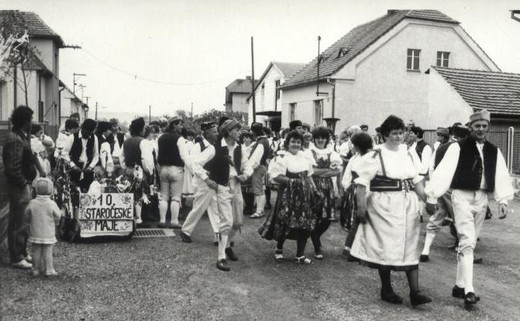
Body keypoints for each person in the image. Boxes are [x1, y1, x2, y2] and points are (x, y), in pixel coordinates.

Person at [425, 109, 513, 306]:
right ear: (470, 128)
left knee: (468, 242)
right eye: (477, 126)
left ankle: (458, 285)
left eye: (484, 126)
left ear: (488, 128)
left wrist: (503, 201)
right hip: (461, 196)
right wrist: (432, 196)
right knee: (467, 240)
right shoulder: (457, 148)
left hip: (481, 199)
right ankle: (469, 290)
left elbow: (500, 175)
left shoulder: (493, 150)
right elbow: (443, 172)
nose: (481, 129)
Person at [351, 115, 431, 307]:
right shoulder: (375, 155)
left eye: (401, 133)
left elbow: (417, 180)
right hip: (384, 206)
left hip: (407, 205)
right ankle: (386, 289)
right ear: (385, 135)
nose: (398, 137)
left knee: (410, 246)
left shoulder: (409, 153)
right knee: (385, 247)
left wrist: (427, 200)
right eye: (394, 134)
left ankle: (415, 293)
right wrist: (361, 207)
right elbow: (361, 184)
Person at [260, 130, 319, 265]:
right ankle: (279, 249)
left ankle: (300, 255)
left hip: (304, 195)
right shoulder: (282, 157)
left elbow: (309, 175)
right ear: (287, 143)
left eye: (298, 142)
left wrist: (315, 189)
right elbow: (276, 176)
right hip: (288, 194)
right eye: (293, 142)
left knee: (304, 223)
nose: (296, 144)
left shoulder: (305, 157)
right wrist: (293, 182)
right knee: (285, 221)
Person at [2, 106, 38, 269]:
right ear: (25, 121)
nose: (32, 122)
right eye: (30, 119)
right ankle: (16, 256)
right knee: (17, 220)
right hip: (18, 186)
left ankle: (21, 252)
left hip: (22, 184)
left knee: (23, 220)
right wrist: (24, 184)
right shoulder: (15, 139)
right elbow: (13, 168)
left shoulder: (21, 136)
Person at [180, 122, 220, 244]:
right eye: (214, 132)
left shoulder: (211, 146)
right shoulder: (200, 147)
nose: (216, 134)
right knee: (199, 207)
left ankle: (218, 236)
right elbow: (194, 164)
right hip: (202, 182)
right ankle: (186, 231)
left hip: (208, 180)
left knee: (215, 207)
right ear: (206, 133)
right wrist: (206, 178)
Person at [309, 126, 342, 259]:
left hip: (328, 187)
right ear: (314, 139)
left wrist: (319, 172)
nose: (320, 140)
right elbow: (310, 172)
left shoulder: (332, 153)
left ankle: (315, 236)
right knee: (314, 216)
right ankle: (317, 247)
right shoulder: (309, 152)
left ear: (327, 139)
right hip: (313, 187)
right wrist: (326, 171)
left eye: (323, 138)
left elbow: (336, 171)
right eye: (318, 138)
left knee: (327, 218)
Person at [341, 131, 373, 259]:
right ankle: (351, 248)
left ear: (358, 146)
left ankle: (352, 247)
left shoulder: (359, 158)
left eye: (354, 145)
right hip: (361, 190)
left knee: (361, 219)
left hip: (361, 189)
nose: (352, 147)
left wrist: (347, 186)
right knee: (360, 218)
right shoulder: (363, 158)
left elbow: (347, 177)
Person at [157, 116, 191, 229]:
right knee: (176, 197)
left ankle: (162, 220)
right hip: (176, 169)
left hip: (163, 169)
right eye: (180, 124)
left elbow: (158, 155)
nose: (182, 127)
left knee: (164, 196)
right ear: (174, 125)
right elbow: (184, 156)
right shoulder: (180, 139)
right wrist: (192, 169)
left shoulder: (160, 138)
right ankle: (174, 221)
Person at [26, 177, 61, 276]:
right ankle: (49, 270)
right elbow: (58, 215)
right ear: (50, 190)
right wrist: (56, 222)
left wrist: (28, 222)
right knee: (48, 251)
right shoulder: (51, 203)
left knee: (36, 251)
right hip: (48, 232)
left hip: (35, 231)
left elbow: (26, 214)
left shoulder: (32, 203)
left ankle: (35, 269)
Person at [120, 117, 149, 228]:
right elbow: (146, 159)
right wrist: (148, 171)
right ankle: (139, 219)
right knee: (139, 193)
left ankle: (130, 216)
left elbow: (121, 157)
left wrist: (126, 167)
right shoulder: (143, 142)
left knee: (129, 192)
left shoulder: (126, 142)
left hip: (129, 169)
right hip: (140, 170)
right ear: (141, 129)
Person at [62, 119, 99, 193]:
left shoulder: (94, 138)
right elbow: (64, 153)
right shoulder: (72, 137)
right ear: (82, 128)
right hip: (74, 170)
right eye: (87, 131)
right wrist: (73, 165)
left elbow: (96, 155)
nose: (88, 134)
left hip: (87, 171)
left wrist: (90, 166)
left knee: (88, 192)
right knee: (74, 191)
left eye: (90, 132)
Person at [248, 122, 271, 219]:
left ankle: (259, 211)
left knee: (258, 189)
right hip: (262, 166)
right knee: (261, 189)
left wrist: (249, 168)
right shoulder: (264, 140)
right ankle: (260, 210)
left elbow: (256, 159)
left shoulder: (261, 142)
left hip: (258, 168)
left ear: (254, 131)